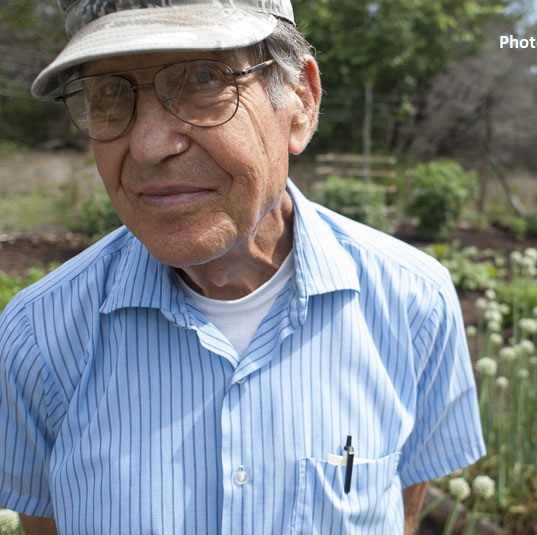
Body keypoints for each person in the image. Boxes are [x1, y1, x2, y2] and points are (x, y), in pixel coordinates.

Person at [0, 1, 486, 534]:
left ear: (300, 101)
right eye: (108, 95)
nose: (146, 145)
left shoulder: (414, 302)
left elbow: (405, 507)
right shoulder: (38, 337)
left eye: (204, 79)